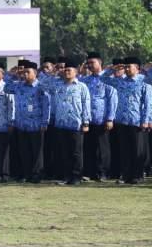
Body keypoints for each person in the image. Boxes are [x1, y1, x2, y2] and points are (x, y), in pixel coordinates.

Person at [9, 61, 50, 183]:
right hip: (21, 124)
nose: (25, 74)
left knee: (36, 152)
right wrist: (14, 75)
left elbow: (46, 106)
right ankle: (27, 174)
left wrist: (44, 123)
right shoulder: (18, 85)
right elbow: (6, 88)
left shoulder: (41, 87)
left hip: (36, 125)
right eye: (24, 72)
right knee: (24, 151)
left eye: (28, 72)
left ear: (35, 73)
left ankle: (37, 175)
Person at [81, 52, 118, 181]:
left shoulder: (107, 79)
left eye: (93, 63)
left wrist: (110, 118)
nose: (90, 65)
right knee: (89, 146)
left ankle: (103, 172)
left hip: (102, 119)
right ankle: (90, 172)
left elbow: (112, 99)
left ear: (100, 63)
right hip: (88, 119)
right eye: (88, 63)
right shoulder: (85, 80)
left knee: (103, 148)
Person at [115, 57, 152, 184]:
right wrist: (112, 70)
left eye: (128, 66)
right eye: (124, 67)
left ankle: (137, 176)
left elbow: (148, 103)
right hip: (122, 120)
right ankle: (126, 176)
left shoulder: (144, 81)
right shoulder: (121, 81)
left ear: (137, 68)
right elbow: (103, 79)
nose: (125, 69)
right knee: (125, 150)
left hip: (137, 121)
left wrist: (146, 120)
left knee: (138, 150)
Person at [54, 59, 91, 185]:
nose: (66, 72)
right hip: (61, 123)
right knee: (65, 152)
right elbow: (55, 104)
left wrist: (86, 122)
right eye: (65, 70)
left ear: (76, 72)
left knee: (76, 152)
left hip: (76, 124)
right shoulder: (59, 86)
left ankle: (76, 176)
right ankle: (67, 176)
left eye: (69, 70)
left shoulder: (81, 87)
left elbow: (86, 105)